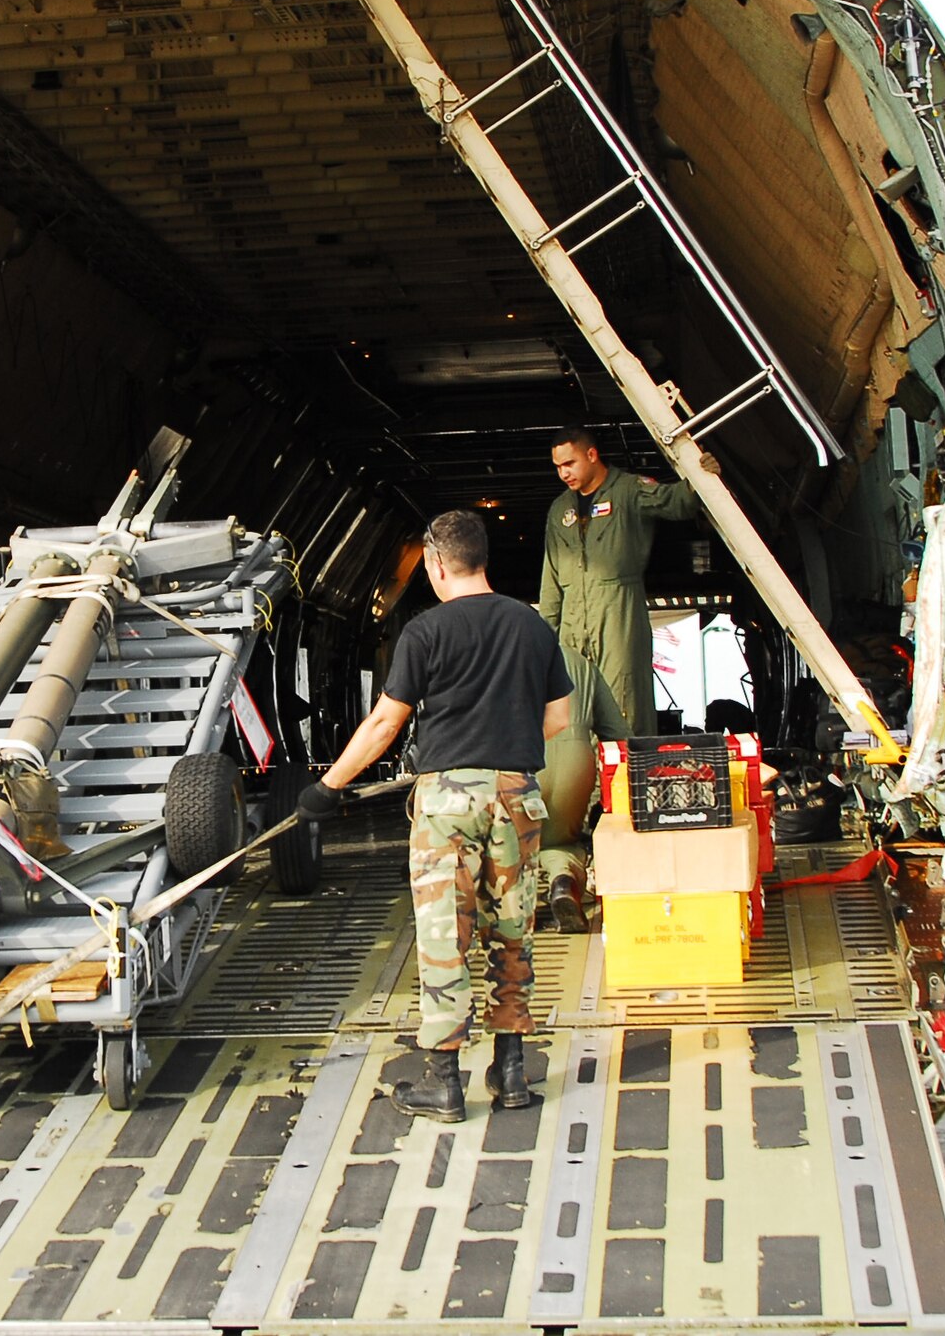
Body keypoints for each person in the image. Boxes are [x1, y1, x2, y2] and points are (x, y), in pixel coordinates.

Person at [300, 510, 570, 1123]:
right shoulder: (532, 626)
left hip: (447, 801)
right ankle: (511, 1073)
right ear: (481, 560)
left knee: (446, 936)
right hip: (516, 794)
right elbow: (557, 720)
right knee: (513, 931)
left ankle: (444, 1081)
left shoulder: (424, 632)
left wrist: (327, 787)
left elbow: (385, 723)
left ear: (434, 564)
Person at [540, 426, 710, 736]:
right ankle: (582, 782)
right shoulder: (559, 509)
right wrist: (543, 638)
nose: (563, 473)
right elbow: (550, 580)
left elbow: (676, 502)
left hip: (618, 612)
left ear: (592, 455)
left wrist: (701, 477)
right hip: (572, 621)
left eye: (569, 464)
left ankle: (628, 778)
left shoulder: (629, 490)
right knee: (571, 708)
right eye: (558, 467)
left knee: (624, 699)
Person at [538, 645, 626, 933]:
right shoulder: (579, 662)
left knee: (507, 844)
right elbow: (618, 735)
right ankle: (562, 881)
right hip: (576, 763)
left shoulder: (495, 652)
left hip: (520, 760)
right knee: (559, 841)